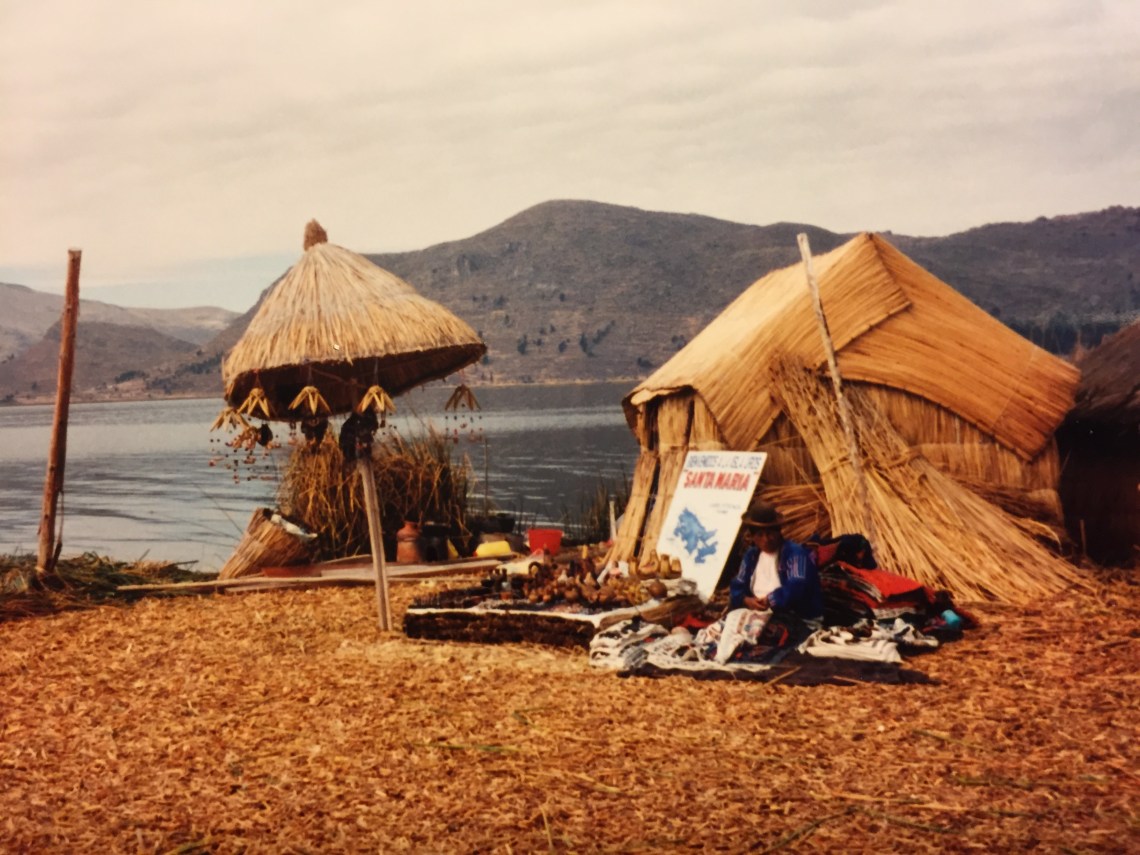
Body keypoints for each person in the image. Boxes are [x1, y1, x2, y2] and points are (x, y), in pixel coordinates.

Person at [728, 499, 823, 624]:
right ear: (752, 536)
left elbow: (797, 586)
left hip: (796, 617)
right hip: (759, 613)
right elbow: (737, 585)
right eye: (760, 535)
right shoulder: (751, 556)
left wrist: (770, 600)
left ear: (779, 532)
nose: (766, 539)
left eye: (770, 533)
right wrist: (746, 600)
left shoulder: (795, 553)